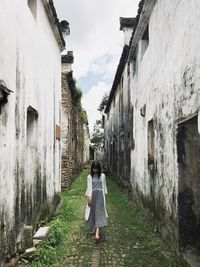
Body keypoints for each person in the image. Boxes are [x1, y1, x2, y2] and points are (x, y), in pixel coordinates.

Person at [85, 161, 108, 241]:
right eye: (94, 168)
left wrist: (104, 196)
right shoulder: (89, 177)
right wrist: (89, 198)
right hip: (92, 196)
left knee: (99, 212)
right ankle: (94, 227)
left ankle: (97, 232)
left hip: (100, 196)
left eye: (96, 168)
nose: (95, 170)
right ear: (92, 168)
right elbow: (88, 188)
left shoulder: (102, 176)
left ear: (99, 168)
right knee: (93, 212)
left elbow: (104, 187)